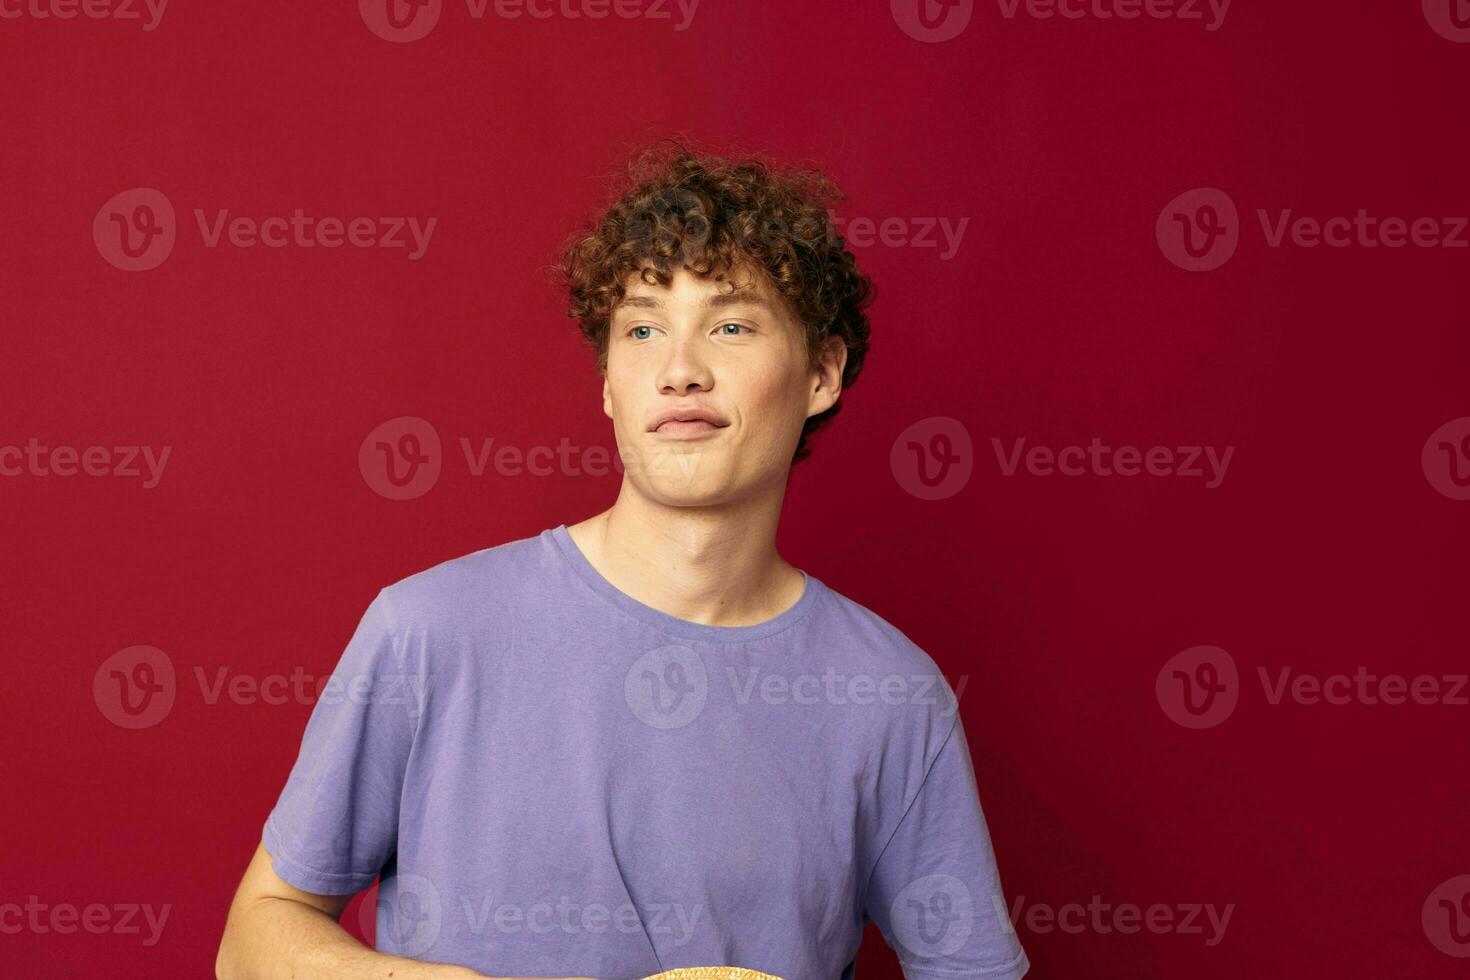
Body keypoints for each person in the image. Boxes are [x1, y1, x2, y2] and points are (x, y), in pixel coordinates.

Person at [215, 141, 1029, 980]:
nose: (680, 370)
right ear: (609, 382)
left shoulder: (892, 695)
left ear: (821, 374)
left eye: (731, 325)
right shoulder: (428, 631)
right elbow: (254, 938)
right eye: (642, 328)